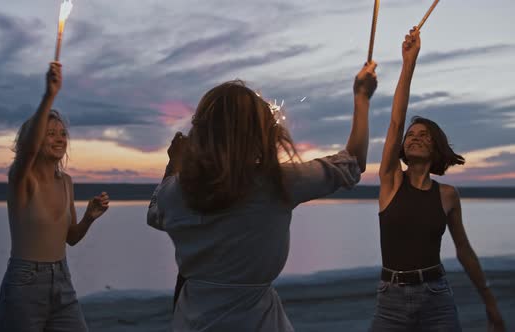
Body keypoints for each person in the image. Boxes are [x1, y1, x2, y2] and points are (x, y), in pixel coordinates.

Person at [147, 61, 378, 331]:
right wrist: (361, 98)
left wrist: (174, 164)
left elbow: (155, 214)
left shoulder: (174, 192)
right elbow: (353, 162)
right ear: (257, 133)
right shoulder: (278, 182)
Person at [370, 27, 505, 331]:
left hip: (436, 297)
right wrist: (408, 64)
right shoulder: (391, 180)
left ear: (436, 147)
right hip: (390, 299)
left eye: (424, 136)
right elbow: (395, 119)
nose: (414, 138)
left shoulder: (447, 195)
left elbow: (464, 249)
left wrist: (490, 301)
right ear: (402, 146)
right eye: (411, 135)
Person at [0, 62, 110, 332]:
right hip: (24, 283)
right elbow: (28, 150)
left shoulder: (67, 182)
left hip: (62, 280)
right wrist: (49, 95)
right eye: (50, 134)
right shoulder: (21, 179)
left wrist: (89, 218)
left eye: (62, 134)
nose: (59, 139)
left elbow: (70, 238)